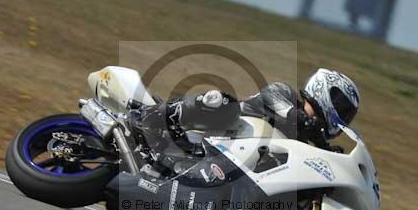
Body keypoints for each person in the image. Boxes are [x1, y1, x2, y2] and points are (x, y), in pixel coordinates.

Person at [131, 68, 360, 172]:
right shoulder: (284, 93)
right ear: (323, 91)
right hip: (212, 132)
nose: (341, 115)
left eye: (346, 113)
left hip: (217, 161)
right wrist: (307, 124)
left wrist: (329, 153)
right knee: (222, 101)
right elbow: (280, 105)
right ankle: (152, 118)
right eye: (341, 106)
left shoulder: (304, 139)